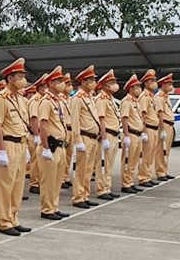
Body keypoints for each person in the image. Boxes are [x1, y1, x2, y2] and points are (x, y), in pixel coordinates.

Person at [0, 58, 32, 236]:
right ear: (10, 78)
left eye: (24, 76)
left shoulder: (20, 98)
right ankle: (5, 221)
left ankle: (14, 217)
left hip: (21, 144)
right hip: (7, 144)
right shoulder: (1, 98)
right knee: (6, 186)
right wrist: (1, 150)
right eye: (19, 76)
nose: (23, 79)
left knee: (18, 185)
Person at [37, 67, 70, 221]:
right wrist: (45, 147)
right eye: (58, 81)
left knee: (57, 181)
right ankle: (47, 209)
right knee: (48, 181)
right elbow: (42, 125)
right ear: (50, 83)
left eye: (62, 81)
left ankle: (54, 206)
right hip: (51, 145)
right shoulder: (46, 101)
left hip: (61, 146)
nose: (62, 84)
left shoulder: (58, 101)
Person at [70, 66, 103, 209]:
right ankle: (78, 197)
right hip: (84, 137)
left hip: (93, 138)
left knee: (89, 170)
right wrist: (77, 140)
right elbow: (75, 121)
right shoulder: (77, 98)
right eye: (91, 80)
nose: (93, 82)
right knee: (82, 169)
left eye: (94, 80)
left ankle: (85, 195)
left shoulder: (89, 97)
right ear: (83, 82)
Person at [94, 70, 121, 201]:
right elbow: (101, 119)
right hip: (107, 134)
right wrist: (104, 137)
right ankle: (101, 189)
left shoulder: (110, 99)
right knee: (103, 164)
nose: (115, 85)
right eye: (112, 82)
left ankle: (107, 188)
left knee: (109, 164)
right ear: (105, 85)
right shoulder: (101, 99)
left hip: (114, 135)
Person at [120, 74, 145, 194]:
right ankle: (125, 183)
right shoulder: (126, 101)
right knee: (127, 160)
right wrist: (126, 135)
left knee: (134, 160)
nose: (139, 89)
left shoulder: (136, 101)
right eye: (137, 86)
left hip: (138, 134)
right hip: (130, 134)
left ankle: (130, 181)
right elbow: (124, 118)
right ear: (131, 88)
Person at [137, 69, 160, 188]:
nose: (154, 82)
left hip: (154, 128)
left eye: (155, 80)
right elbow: (143, 115)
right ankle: (143, 177)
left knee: (151, 154)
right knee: (146, 154)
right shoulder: (144, 97)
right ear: (146, 83)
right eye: (151, 81)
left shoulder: (151, 96)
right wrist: (144, 132)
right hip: (149, 129)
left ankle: (148, 176)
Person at [26, 75, 48, 195]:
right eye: (45, 87)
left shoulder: (43, 100)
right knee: (35, 160)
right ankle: (34, 183)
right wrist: (37, 135)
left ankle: (39, 181)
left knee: (41, 161)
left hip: (41, 133)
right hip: (36, 134)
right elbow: (34, 119)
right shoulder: (35, 100)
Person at [155, 73, 177, 181]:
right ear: (163, 85)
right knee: (161, 150)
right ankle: (160, 172)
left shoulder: (166, 96)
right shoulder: (159, 97)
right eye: (168, 83)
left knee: (167, 150)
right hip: (164, 125)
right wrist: (162, 129)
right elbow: (159, 114)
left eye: (171, 83)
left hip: (170, 125)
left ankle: (164, 170)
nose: (171, 85)